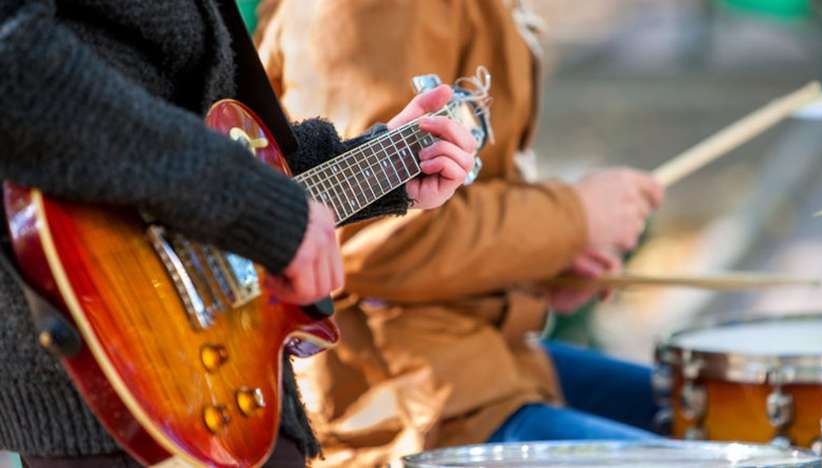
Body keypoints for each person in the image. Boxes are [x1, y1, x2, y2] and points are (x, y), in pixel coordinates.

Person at [0, 0, 477, 466]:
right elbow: (14, 68)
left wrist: (380, 166)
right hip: (112, 372)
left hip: (219, 380)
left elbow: (220, 140)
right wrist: (251, 201)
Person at [255, 1, 666, 466]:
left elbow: (446, 201)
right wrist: (575, 217)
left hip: (493, 357)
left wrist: (544, 260)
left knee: (717, 428)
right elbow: (360, 242)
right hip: (411, 404)